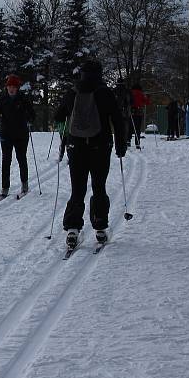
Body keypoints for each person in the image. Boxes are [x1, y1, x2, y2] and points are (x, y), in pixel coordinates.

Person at [53, 59, 126, 248]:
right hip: (100, 146)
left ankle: (72, 229)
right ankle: (100, 228)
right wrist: (120, 144)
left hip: (75, 146)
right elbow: (118, 120)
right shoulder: (105, 93)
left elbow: (58, 117)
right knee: (99, 186)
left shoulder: (72, 91)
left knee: (78, 188)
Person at [0, 74, 35, 198]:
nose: (11, 88)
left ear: (17, 88)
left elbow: (32, 112)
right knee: (6, 160)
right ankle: (5, 187)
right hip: (6, 133)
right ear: (7, 87)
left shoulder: (23, 99)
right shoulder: (3, 99)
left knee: (21, 159)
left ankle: (24, 184)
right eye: (9, 86)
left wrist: (30, 118)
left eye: (14, 86)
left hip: (21, 134)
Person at [128, 83, 150, 148]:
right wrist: (148, 97)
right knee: (137, 128)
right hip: (139, 112)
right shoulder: (141, 94)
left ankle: (128, 141)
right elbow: (147, 102)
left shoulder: (130, 93)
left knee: (130, 127)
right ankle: (137, 143)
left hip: (131, 112)